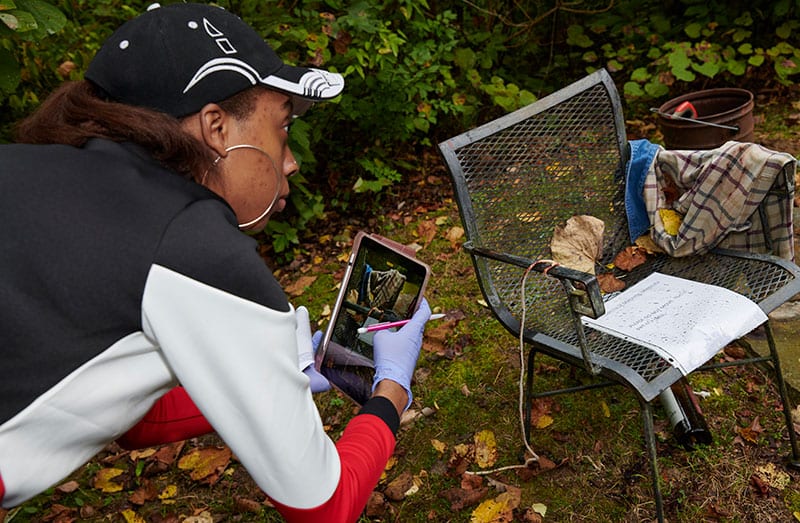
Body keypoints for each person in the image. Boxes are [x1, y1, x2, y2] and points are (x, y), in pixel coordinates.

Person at [0, 3, 432, 521]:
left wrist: (281, 378)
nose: (290, 159)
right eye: (284, 127)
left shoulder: (49, 175)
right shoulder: (190, 240)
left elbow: (126, 414)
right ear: (216, 127)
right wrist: (390, 389)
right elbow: (324, 504)